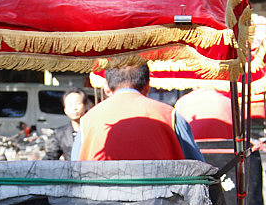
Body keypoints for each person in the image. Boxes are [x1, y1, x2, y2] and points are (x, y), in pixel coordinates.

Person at [73, 64, 204, 161]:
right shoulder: (170, 116)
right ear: (147, 86)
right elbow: (198, 168)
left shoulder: (87, 121)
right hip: (162, 191)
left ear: (106, 88)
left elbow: (73, 170)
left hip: (99, 191)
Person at [43, 88, 90, 160]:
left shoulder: (93, 130)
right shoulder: (60, 133)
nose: (74, 108)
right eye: (70, 104)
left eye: (78, 103)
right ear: (65, 109)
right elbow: (51, 156)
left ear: (85, 106)